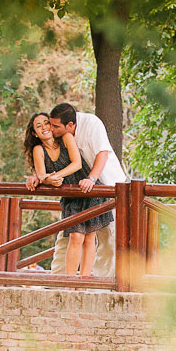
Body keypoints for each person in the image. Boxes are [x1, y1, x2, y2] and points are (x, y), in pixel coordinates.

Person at [25, 103, 128, 276]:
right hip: (75, 192)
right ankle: (60, 281)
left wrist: (91, 179)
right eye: (48, 124)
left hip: (104, 186)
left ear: (70, 126)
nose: (51, 128)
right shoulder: (56, 137)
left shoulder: (89, 125)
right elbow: (47, 162)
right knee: (68, 237)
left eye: (54, 126)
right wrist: (39, 176)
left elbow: (101, 154)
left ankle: (96, 284)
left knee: (105, 238)